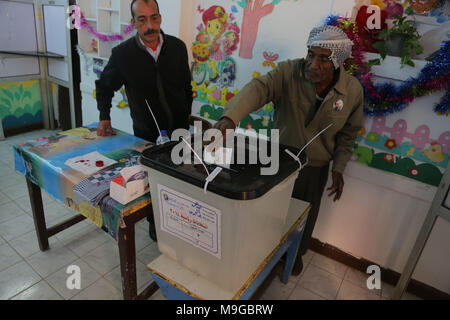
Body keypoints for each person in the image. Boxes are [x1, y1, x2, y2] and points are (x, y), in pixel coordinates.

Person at [213, 26, 364, 275]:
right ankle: (262, 253)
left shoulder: (352, 91)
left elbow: (348, 134)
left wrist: (338, 168)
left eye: (323, 59)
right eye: (310, 54)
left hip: (314, 167)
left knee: (304, 217)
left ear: (337, 61)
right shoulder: (288, 72)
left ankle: (294, 255)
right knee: (268, 215)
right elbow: (258, 88)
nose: (313, 64)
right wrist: (231, 118)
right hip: (279, 162)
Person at [95, 0, 193, 241]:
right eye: (142, 20)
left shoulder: (178, 48)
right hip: (146, 133)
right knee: (153, 182)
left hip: (179, 131)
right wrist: (104, 116)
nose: (150, 26)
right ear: (133, 23)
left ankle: (180, 222)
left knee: (181, 178)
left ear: (160, 18)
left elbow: (186, 87)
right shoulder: (123, 55)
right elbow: (104, 86)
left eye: (154, 18)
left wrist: (185, 114)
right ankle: (155, 226)